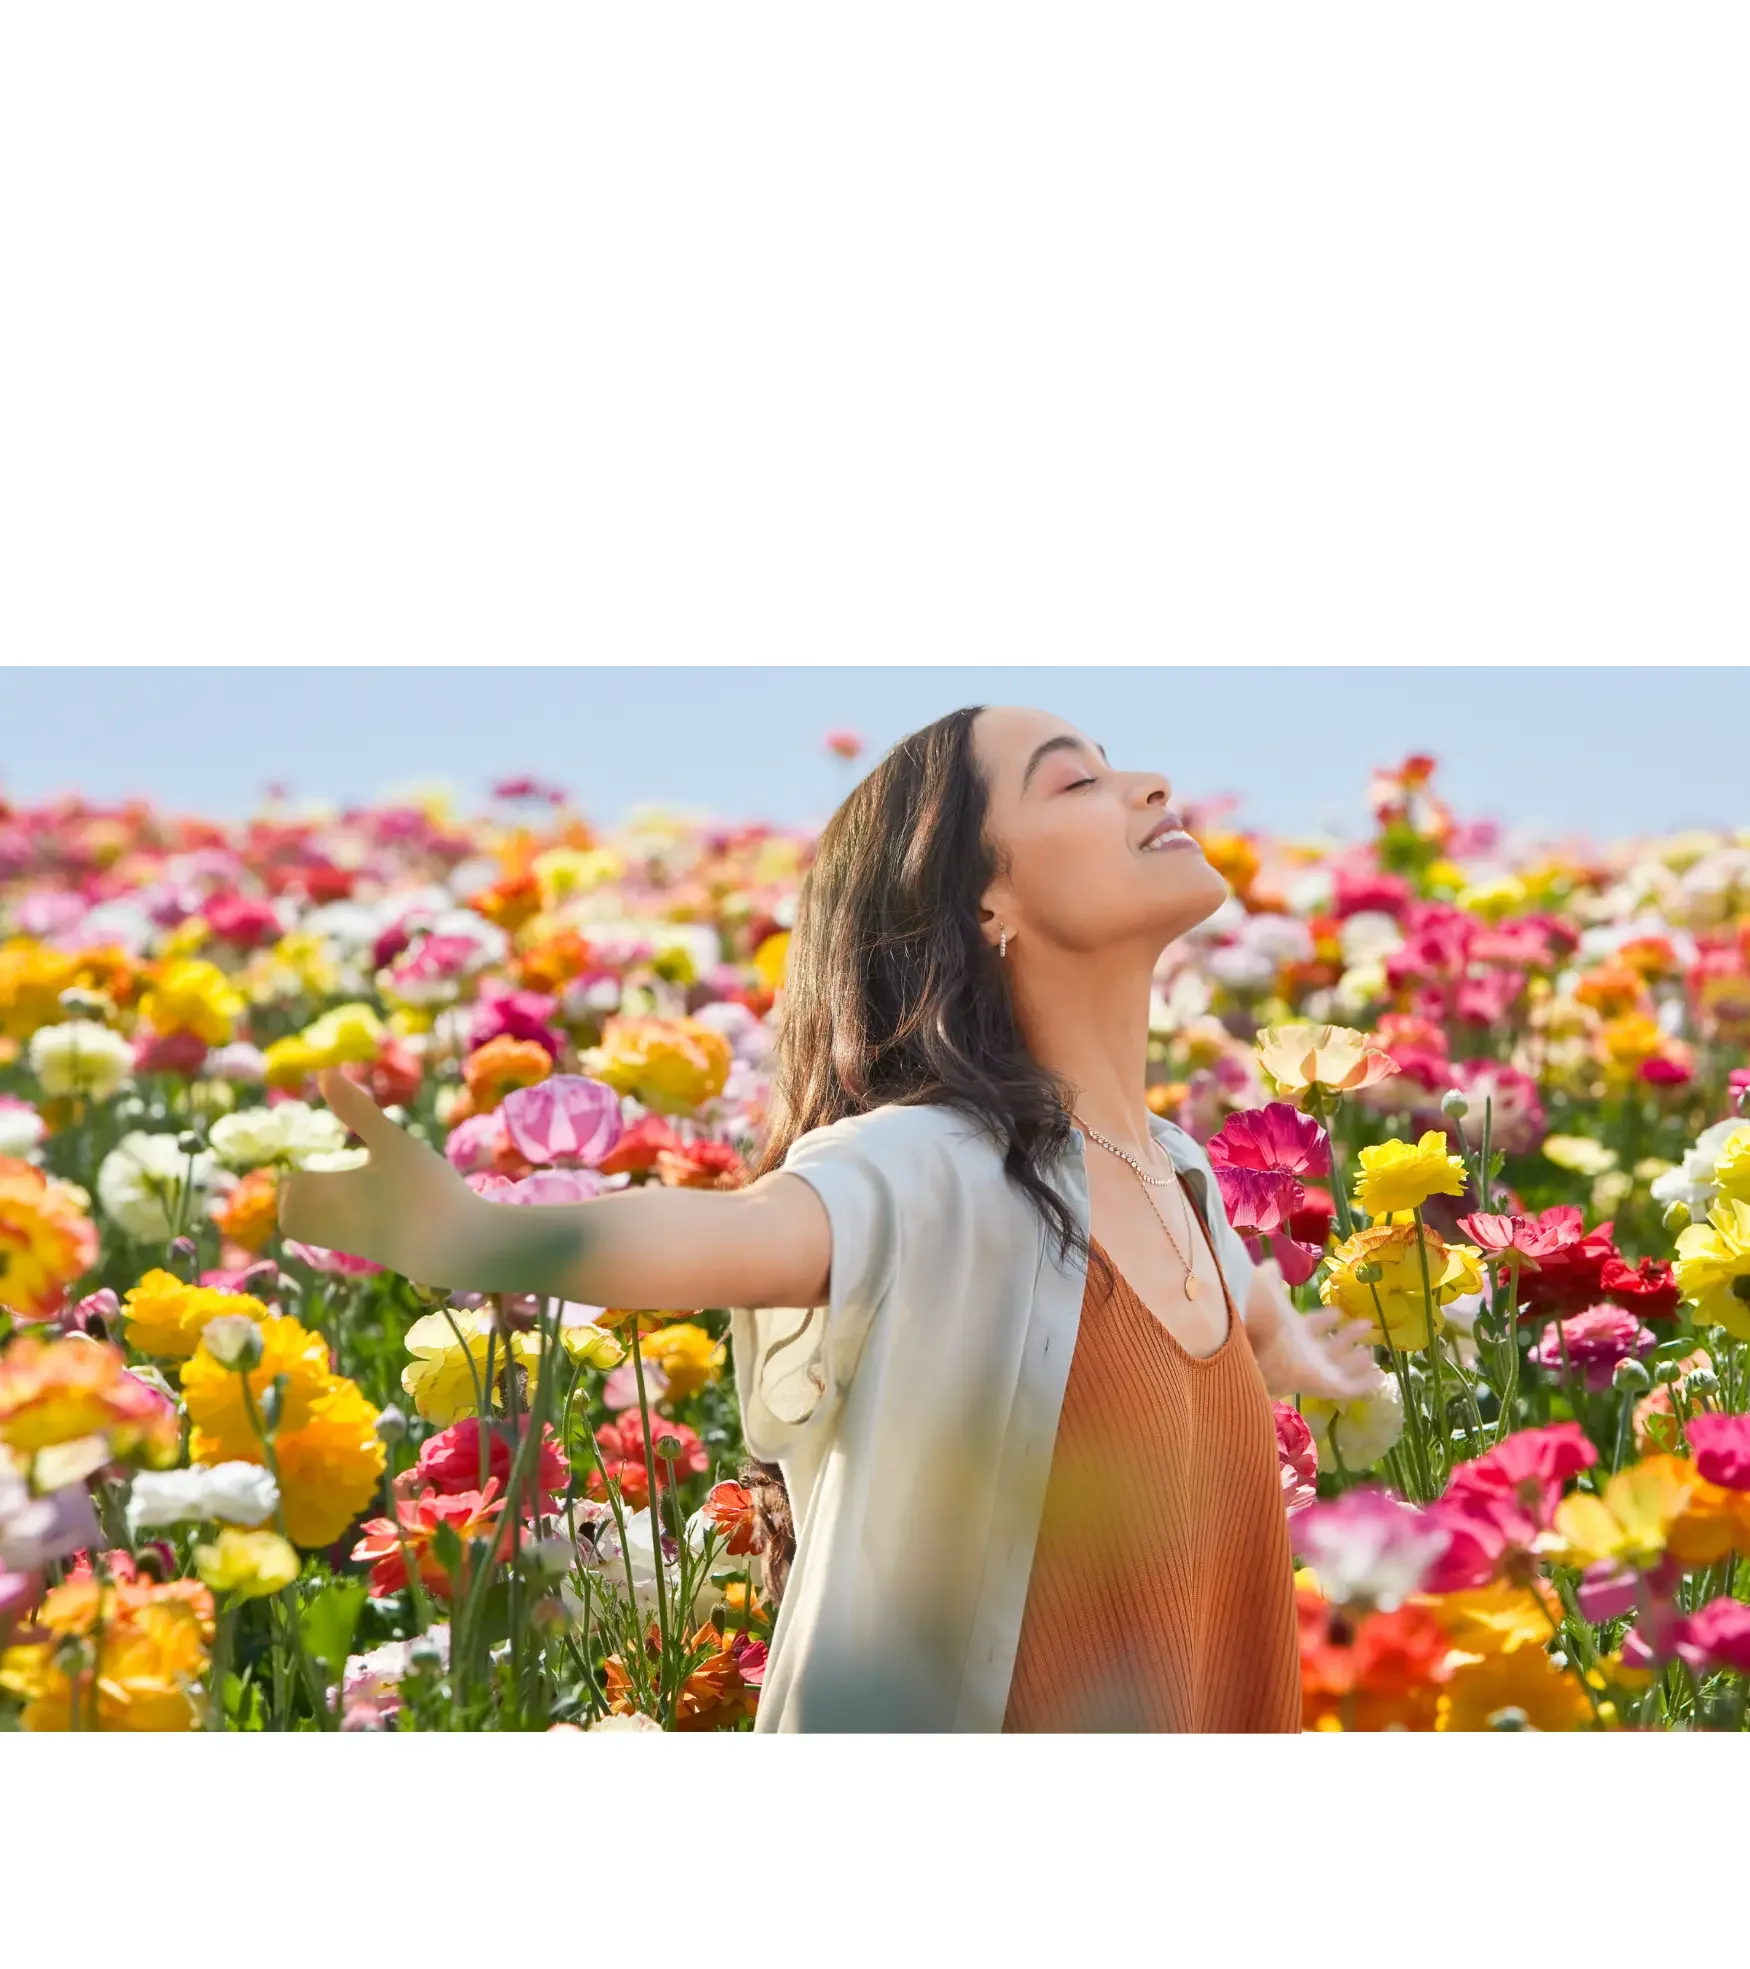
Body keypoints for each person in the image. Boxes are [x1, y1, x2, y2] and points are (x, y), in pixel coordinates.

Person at [279, 705, 1378, 1732]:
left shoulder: (1178, 1173)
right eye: (1075, 782)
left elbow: (1206, 1326)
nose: (1150, 785)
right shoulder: (934, 1163)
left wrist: (1283, 1351)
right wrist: (484, 1238)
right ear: (984, 904)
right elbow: (741, 1236)